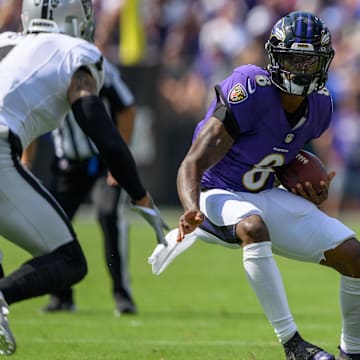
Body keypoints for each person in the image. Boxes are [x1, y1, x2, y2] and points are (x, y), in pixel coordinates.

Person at [158, 11, 360, 360]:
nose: (298, 68)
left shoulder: (320, 106)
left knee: (354, 256)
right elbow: (193, 162)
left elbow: (281, 158)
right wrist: (192, 208)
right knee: (253, 226)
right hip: (213, 192)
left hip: (260, 193)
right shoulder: (250, 88)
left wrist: (311, 189)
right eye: (290, 59)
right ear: (274, 59)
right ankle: (293, 345)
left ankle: (352, 352)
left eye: (307, 59)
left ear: (322, 63)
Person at [0, 0, 167, 355]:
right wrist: (139, 194)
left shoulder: (7, 42)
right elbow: (102, 131)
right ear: (75, 17)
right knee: (70, 261)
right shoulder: (74, 52)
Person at [29, 59, 138, 315]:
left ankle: (122, 294)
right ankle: (61, 296)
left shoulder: (100, 67)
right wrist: (25, 162)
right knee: (52, 224)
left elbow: (127, 108)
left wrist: (118, 159)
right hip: (67, 165)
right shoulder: (43, 67)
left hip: (102, 162)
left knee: (108, 214)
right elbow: (30, 116)